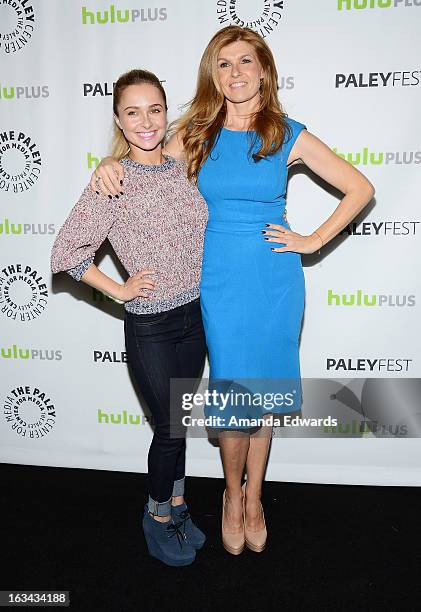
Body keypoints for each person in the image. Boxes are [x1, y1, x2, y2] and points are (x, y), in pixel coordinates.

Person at [90, 26, 375, 555]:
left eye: (246, 61)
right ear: (212, 75)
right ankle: (228, 494)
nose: (236, 72)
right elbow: (141, 161)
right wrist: (108, 164)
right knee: (231, 399)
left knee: (262, 397)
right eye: (224, 64)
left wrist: (311, 240)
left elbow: (361, 187)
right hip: (214, 282)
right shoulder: (196, 133)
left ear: (264, 69)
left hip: (272, 281)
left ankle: (254, 499)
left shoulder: (285, 133)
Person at [51, 69, 209, 567]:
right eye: (133, 112)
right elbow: (65, 252)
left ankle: (179, 502)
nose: (146, 121)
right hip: (151, 327)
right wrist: (119, 290)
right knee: (168, 427)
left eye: (155, 109)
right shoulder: (112, 180)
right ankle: (156, 513)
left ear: (168, 114)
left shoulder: (185, 161)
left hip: (195, 318)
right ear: (118, 119)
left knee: (179, 422)